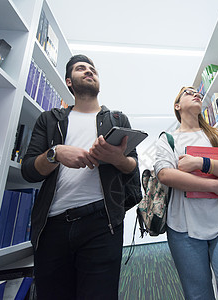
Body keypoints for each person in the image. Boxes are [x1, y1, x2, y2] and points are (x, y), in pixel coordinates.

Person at [21, 54, 140, 300]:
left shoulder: (116, 120)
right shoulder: (49, 120)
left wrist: (117, 158)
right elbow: (29, 170)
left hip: (102, 222)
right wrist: (56, 153)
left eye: (92, 69)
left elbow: (132, 168)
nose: (88, 71)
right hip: (52, 226)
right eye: (80, 68)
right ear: (69, 82)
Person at [154, 87, 218, 300]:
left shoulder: (217, 135)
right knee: (198, 296)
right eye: (188, 93)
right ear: (177, 106)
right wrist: (213, 186)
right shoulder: (168, 139)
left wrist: (200, 163)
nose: (196, 94)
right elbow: (165, 175)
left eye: (198, 93)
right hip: (183, 228)